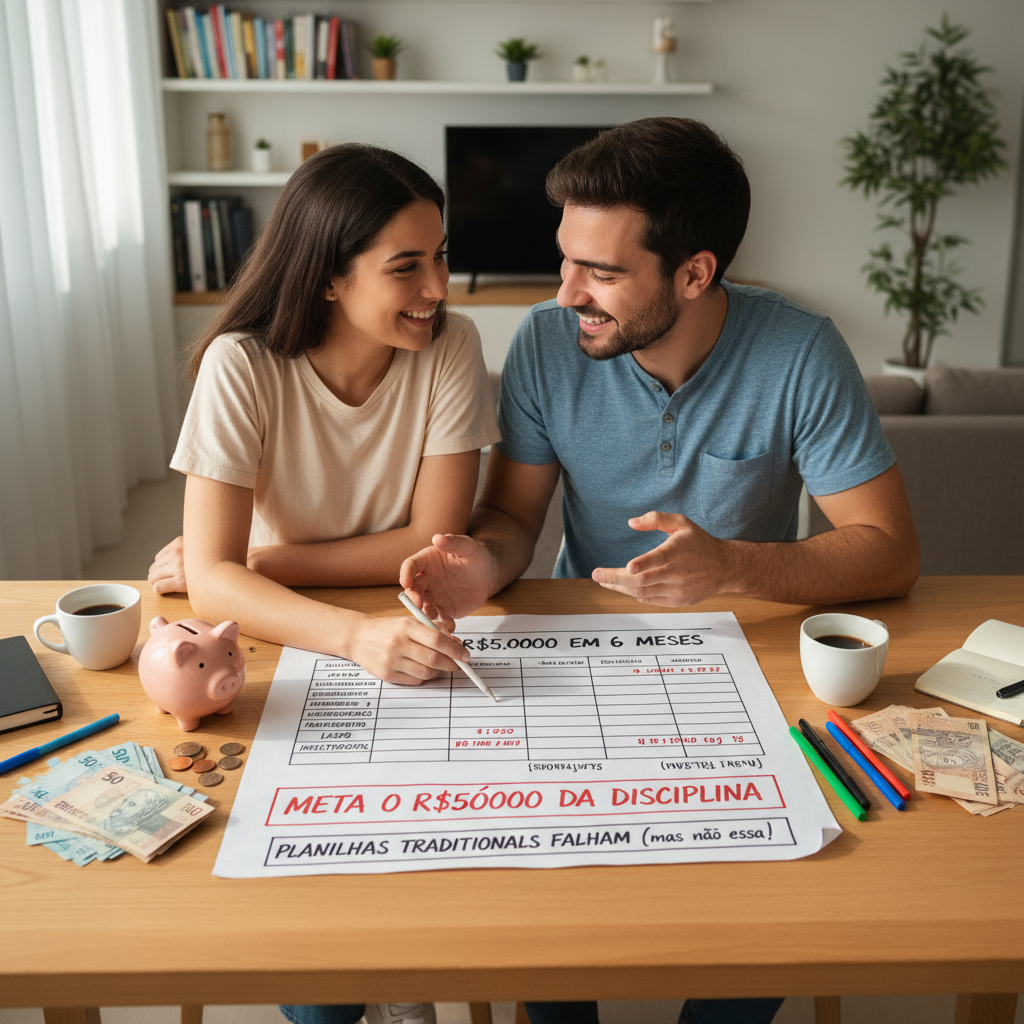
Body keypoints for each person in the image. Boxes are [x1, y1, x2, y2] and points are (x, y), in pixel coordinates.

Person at [400, 118, 920, 1024]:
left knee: (765, 907)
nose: (566, 295)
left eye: (600, 272)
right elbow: (517, 518)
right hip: (580, 657)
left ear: (693, 273)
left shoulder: (800, 351)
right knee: (548, 921)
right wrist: (476, 566)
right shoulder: (544, 343)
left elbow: (890, 550)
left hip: (744, 658)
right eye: (565, 260)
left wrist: (728, 565)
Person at [150, 143, 501, 1024]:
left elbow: (431, 538)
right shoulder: (243, 365)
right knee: (316, 979)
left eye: (443, 255)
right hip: (290, 639)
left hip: (379, 615)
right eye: (407, 267)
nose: (439, 286)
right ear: (331, 279)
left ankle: (404, 974)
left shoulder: (451, 345)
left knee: (437, 853)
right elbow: (212, 600)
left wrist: (252, 564)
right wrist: (344, 631)